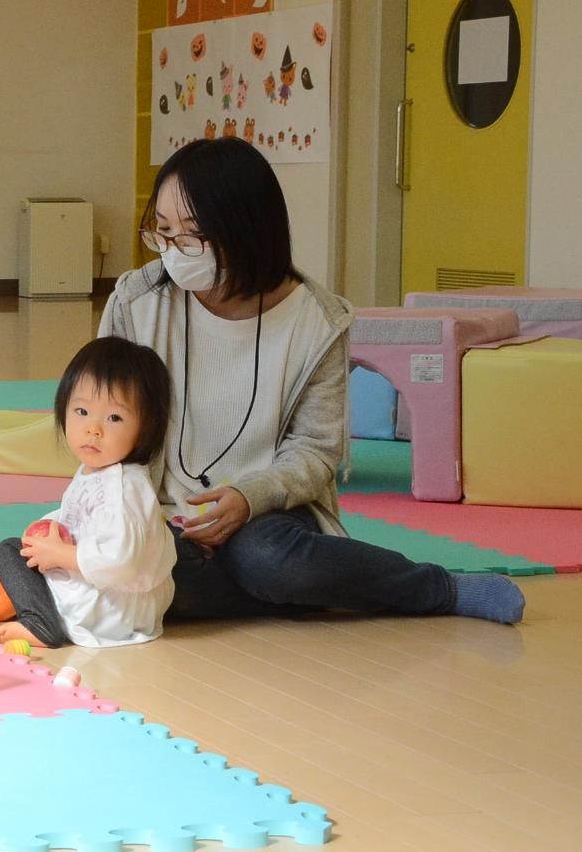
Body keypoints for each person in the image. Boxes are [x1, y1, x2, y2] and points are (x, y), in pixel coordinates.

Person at [104, 137, 524, 625]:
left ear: (245, 230)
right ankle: (297, 592)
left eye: (192, 235)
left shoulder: (318, 321)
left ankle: (438, 588)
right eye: (162, 230)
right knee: (116, 564)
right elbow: (102, 418)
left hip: (270, 516)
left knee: (266, 560)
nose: (173, 251)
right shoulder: (136, 303)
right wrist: (128, 515)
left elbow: (315, 450)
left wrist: (248, 498)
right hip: (155, 514)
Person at [0, 337, 177, 648]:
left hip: (109, 609)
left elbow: (122, 562)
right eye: (81, 411)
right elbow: (74, 516)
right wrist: (36, 543)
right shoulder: (102, 470)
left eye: (114, 418)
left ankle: (39, 625)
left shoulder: (122, 489)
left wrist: (62, 554)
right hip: (105, 597)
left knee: (6, 551)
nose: (94, 429)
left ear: (146, 429)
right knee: (15, 555)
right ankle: (1, 590)